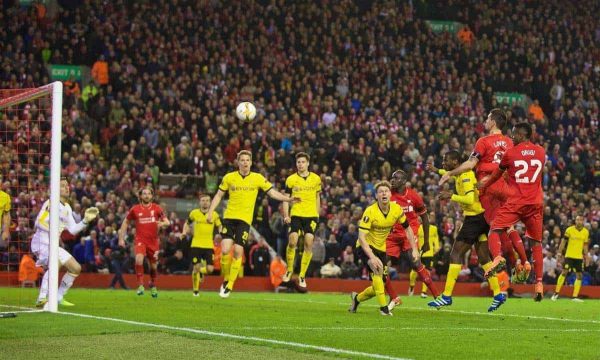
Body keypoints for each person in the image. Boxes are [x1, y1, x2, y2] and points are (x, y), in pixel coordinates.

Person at [439, 109, 530, 278]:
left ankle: (498, 258)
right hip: (507, 187)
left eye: (488, 118)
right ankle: (520, 262)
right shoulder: (510, 142)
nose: (485, 121)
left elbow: (471, 163)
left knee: (494, 226)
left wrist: (450, 173)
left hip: (488, 187)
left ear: (493, 122)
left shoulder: (484, 141)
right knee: (507, 226)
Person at [206, 150, 299, 298]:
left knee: (237, 251)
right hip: (229, 218)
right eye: (242, 160)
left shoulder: (257, 178)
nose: (244, 162)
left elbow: (272, 192)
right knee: (224, 250)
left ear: (250, 162)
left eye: (247, 160)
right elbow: (218, 195)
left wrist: (287, 199)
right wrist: (210, 211)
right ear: (238, 162)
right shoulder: (229, 177)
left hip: (244, 220)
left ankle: (229, 285)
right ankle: (226, 279)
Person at [427, 151, 506, 312]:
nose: (443, 162)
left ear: (456, 161)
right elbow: (447, 173)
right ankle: (498, 294)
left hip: (474, 219)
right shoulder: (460, 174)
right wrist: (436, 170)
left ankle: (446, 296)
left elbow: (469, 199)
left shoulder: (465, 176)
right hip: (481, 217)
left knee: (455, 254)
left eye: (446, 160)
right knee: (484, 259)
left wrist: (451, 196)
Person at [479, 122, 546, 301]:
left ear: (522, 135)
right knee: (536, 243)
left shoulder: (511, 153)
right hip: (535, 203)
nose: (512, 137)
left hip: (516, 201)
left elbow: (497, 175)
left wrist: (485, 183)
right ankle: (539, 283)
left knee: (495, 229)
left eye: (515, 134)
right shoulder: (541, 152)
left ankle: (498, 258)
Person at [348, 181, 419, 316]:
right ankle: (384, 308)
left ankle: (356, 299)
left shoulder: (396, 210)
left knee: (377, 287)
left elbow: (408, 229)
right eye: (381, 192)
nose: (384, 193)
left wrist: (414, 249)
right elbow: (362, 237)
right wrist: (372, 257)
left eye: (386, 191)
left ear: (390, 194)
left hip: (381, 248)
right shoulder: (370, 211)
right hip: (365, 247)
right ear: (376, 196)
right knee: (377, 270)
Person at [32, 178, 99, 307]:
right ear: (56, 189)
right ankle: (42, 297)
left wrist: (85, 221)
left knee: (76, 268)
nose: (67, 188)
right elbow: (38, 222)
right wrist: (53, 230)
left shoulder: (67, 207)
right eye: (63, 186)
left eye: (67, 185)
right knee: (55, 262)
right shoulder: (51, 203)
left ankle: (58, 296)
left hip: (52, 244)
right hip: (41, 242)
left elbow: (73, 230)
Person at [385, 170, 439, 312]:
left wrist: (426, 241)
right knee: (382, 265)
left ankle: (436, 296)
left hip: (410, 232)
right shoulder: (388, 195)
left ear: (404, 181)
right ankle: (394, 297)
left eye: (395, 178)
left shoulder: (414, 196)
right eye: (392, 178)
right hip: (393, 233)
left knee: (415, 261)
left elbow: (425, 218)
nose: (392, 180)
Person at [118, 186, 170, 297]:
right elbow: (125, 223)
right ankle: (140, 285)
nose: (147, 195)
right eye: (144, 194)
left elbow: (167, 222)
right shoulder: (135, 209)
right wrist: (121, 238)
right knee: (138, 259)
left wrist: (162, 223)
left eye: (149, 194)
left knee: (153, 267)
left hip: (153, 242)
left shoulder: (157, 208)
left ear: (152, 196)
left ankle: (153, 284)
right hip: (140, 240)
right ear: (140, 196)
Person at [282, 152, 322, 289]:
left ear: (308, 163)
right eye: (298, 162)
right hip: (296, 214)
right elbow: (285, 198)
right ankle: (289, 269)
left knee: (308, 242)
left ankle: (302, 275)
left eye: (303, 162)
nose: (300, 164)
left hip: (311, 215)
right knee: (293, 240)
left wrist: (317, 213)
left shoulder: (316, 179)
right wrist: (286, 215)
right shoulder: (291, 179)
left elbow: (317, 197)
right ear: (296, 164)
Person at [182, 193, 222, 296]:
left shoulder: (214, 214)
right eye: (203, 200)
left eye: (207, 200)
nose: (205, 202)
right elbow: (187, 223)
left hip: (209, 245)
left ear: (210, 202)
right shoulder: (194, 213)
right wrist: (184, 232)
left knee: (210, 269)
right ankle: (195, 290)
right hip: (196, 245)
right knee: (196, 267)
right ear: (199, 202)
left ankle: (201, 272)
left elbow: (220, 226)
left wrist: (222, 234)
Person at [551, 215, 589, 302]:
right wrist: (559, 252)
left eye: (581, 220)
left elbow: (585, 246)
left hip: (579, 257)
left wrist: (586, 257)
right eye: (577, 220)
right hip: (569, 256)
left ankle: (574, 296)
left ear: (583, 221)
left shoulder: (585, 232)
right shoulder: (569, 230)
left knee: (579, 276)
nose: (579, 221)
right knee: (564, 272)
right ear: (575, 221)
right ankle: (556, 293)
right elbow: (563, 242)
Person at [414, 212, 440, 298]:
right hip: (419, 253)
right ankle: (411, 286)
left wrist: (436, 247)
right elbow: (415, 239)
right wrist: (415, 249)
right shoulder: (418, 228)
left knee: (427, 272)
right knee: (415, 271)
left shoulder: (434, 228)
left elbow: (436, 238)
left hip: (429, 253)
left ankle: (423, 292)